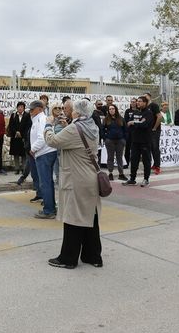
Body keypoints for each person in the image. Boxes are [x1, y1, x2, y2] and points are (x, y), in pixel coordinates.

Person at [44, 99, 103, 269]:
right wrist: (68, 124)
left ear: (77, 112)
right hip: (90, 177)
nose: (68, 112)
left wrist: (48, 125)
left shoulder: (74, 128)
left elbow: (53, 141)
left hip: (76, 179)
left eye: (71, 110)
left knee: (73, 218)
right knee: (91, 218)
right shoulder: (92, 126)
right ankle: (93, 256)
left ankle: (68, 258)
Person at [29, 97, 58, 218]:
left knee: (45, 183)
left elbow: (42, 138)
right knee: (47, 182)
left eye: (32, 109)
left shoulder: (40, 119)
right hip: (46, 153)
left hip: (44, 153)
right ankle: (51, 207)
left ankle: (49, 210)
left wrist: (33, 149)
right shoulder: (38, 119)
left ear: (40, 109)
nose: (30, 111)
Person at [122, 96, 155, 187]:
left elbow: (145, 125)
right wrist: (136, 123)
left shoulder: (148, 113)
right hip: (135, 140)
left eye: (140, 101)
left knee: (146, 161)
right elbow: (129, 123)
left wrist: (134, 123)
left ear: (145, 103)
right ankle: (132, 179)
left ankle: (146, 179)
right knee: (134, 160)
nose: (138, 103)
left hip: (145, 141)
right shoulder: (135, 112)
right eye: (137, 101)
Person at [102, 104, 127, 181]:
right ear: (108, 111)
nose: (111, 110)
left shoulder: (121, 119)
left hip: (120, 141)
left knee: (120, 157)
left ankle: (121, 174)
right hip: (110, 141)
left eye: (113, 109)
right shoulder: (106, 119)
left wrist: (124, 139)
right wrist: (105, 138)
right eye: (110, 109)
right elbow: (102, 130)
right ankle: (110, 173)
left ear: (115, 109)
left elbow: (125, 130)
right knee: (110, 157)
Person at [8, 102, 30, 182]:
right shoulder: (13, 115)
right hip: (15, 137)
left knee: (24, 153)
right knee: (16, 153)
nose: (20, 108)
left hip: (24, 137)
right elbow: (11, 125)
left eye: (21, 107)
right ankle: (17, 168)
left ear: (24, 108)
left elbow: (28, 126)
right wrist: (16, 132)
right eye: (19, 107)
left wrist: (22, 134)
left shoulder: (27, 115)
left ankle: (24, 169)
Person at [143, 93, 162, 174]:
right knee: (149, 148)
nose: (145, 98)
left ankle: (157, 166)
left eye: (146, 96)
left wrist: (155, 127)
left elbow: (159, 116)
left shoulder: (154, 105)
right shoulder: (145, 107)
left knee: (155, 148)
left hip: (154, 131)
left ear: (150, 97)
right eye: (143, 96)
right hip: (147, 131)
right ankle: (153, 164)